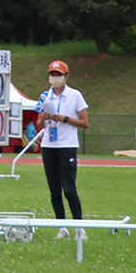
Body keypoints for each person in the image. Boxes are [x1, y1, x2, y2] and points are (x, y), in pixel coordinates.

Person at [35, 60, 89, 240]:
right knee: (54, 190)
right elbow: (38, 125)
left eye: (59, 75)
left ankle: (79, 228)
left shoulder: (75, 95)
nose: (55, 78)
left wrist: (66, 119)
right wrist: (43, 118)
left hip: (67, 145)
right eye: (52, 74)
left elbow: (85, 123)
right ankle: (62, 227)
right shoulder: (44, 96)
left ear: (66, 76)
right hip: (49, 146)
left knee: (69, 189)